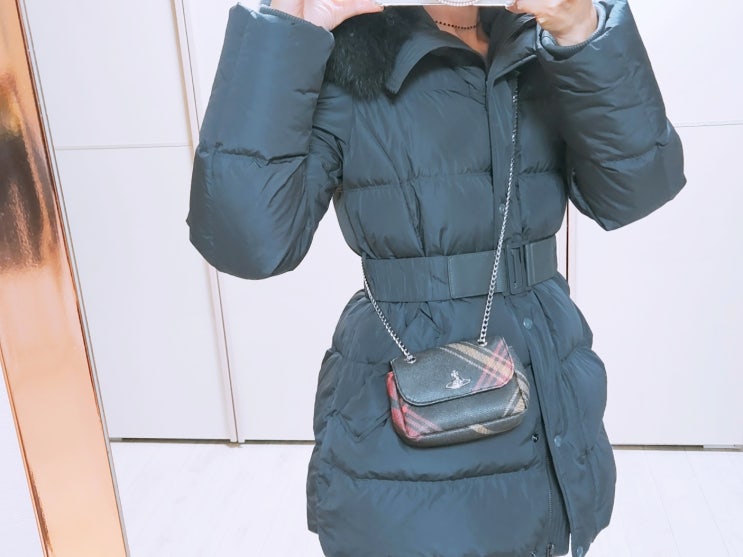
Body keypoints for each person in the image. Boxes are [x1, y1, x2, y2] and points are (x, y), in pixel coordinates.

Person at [186, 0, 686, 554]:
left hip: (552, 384)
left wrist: (581, 29)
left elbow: (638, 188)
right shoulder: (356, 54)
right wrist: (286, 32)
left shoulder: (536, 40)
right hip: (413, 409)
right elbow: (247, 242)